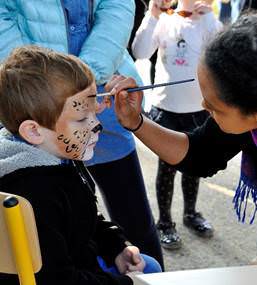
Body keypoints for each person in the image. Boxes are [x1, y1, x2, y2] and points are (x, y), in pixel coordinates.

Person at [0, 0, 164, 268]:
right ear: (32, 130)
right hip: (74, 272)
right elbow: (57, 275)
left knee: (145, 250)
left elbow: (86, 216)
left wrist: (117, 247)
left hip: (63, 92)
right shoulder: (34, 192)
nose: (97, 124)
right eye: (83, 117)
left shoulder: (61, 152)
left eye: (94, 112)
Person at [111, 12, 257, 229]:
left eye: (215, 106)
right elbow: (201, 153)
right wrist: (135, 121)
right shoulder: (244, 122)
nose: (204, 107)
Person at [131, 0, 222, 249]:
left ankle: (190, 213)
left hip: (198, 109)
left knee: (195, 166)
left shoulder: (207, 21)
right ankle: (164, 222)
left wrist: (209, 19)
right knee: (168, 167)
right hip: (167, 108)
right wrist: (152, 16)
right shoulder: (164, 18)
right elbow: (139, 52)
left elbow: (220, 55)